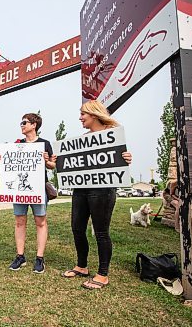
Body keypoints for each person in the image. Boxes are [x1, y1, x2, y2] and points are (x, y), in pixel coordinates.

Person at [61, 100, 132, 290]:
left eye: (83, 114)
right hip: (80, 190)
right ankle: (81, 266)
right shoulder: (83, 139)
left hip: (103, 190)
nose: (80, 117)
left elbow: (119, 160)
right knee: (77, 228)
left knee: (101, 232)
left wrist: (126, 158)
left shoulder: (113, 136)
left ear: (93, 114)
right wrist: (55, 162)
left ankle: (102, 274)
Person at [0, 113, 57, 274]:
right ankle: (20, 256)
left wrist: (47, 161)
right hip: (18, 190)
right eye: (21, 123)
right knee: (19, 221)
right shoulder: (17, 145)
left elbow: (52, 165)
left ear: (34, 125)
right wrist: (2, 159)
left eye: (24, 122)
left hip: (38, 189)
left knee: (41, 222)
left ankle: (39, 258)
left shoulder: (45, 144)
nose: (22, 125)